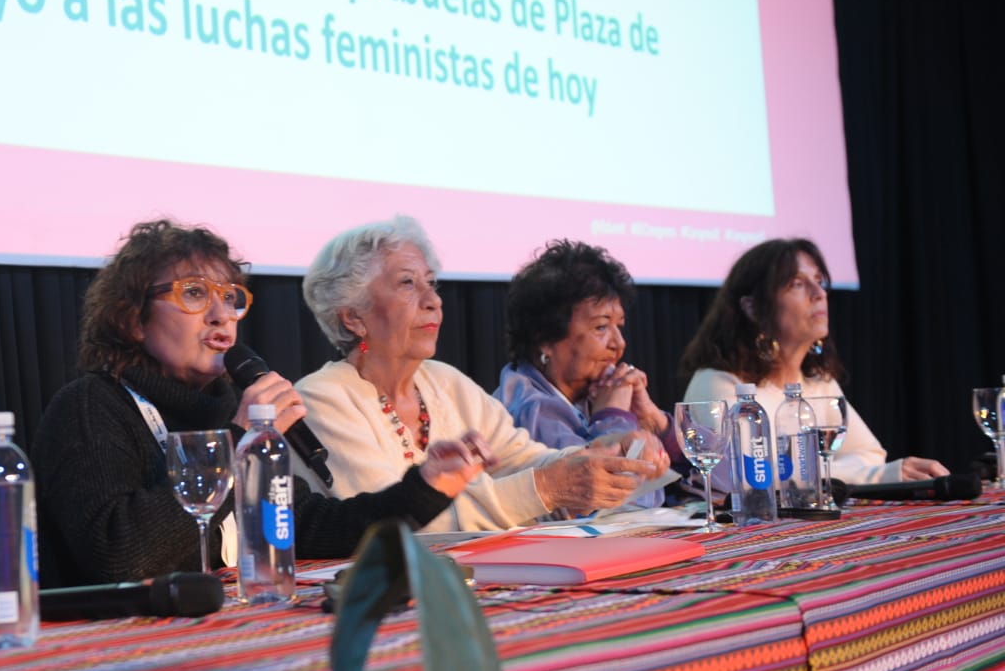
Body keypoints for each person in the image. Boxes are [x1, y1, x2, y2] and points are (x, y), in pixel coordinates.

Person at [31, 219, 491, 588]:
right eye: (194, 294)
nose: (220, 314)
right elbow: (120, 556)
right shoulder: (92, 407)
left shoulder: (221, 408)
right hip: (107, 651)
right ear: (133, 319)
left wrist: (428, 486)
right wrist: (240, 441)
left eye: (230, 298)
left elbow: (318, 528)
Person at [297, 217, 666, 533]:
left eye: (432, 283)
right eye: (407, 283)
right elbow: (398, 519)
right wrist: (547, 488)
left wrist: (600, 451)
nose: (434, 300)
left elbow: (524, 460)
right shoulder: (323, 398)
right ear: (353, 316)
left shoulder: (444, 382)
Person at [680, 237, 947, 484]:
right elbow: (759, 476)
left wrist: (865, 471)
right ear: (753, 307)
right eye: (797, 283)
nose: (818, 293)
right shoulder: (719, 383)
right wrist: (873, 476)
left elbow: (869, 454)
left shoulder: (818, 383)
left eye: (819, 280)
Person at [496, 240, 676, 507]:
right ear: (545, 337)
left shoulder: (595, 391)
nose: (619, 343)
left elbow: (719, 484)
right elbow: (623, 503)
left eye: (619, 327)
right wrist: (613, 416)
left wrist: (654, 420)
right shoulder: (530, 408)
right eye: (601, 327)